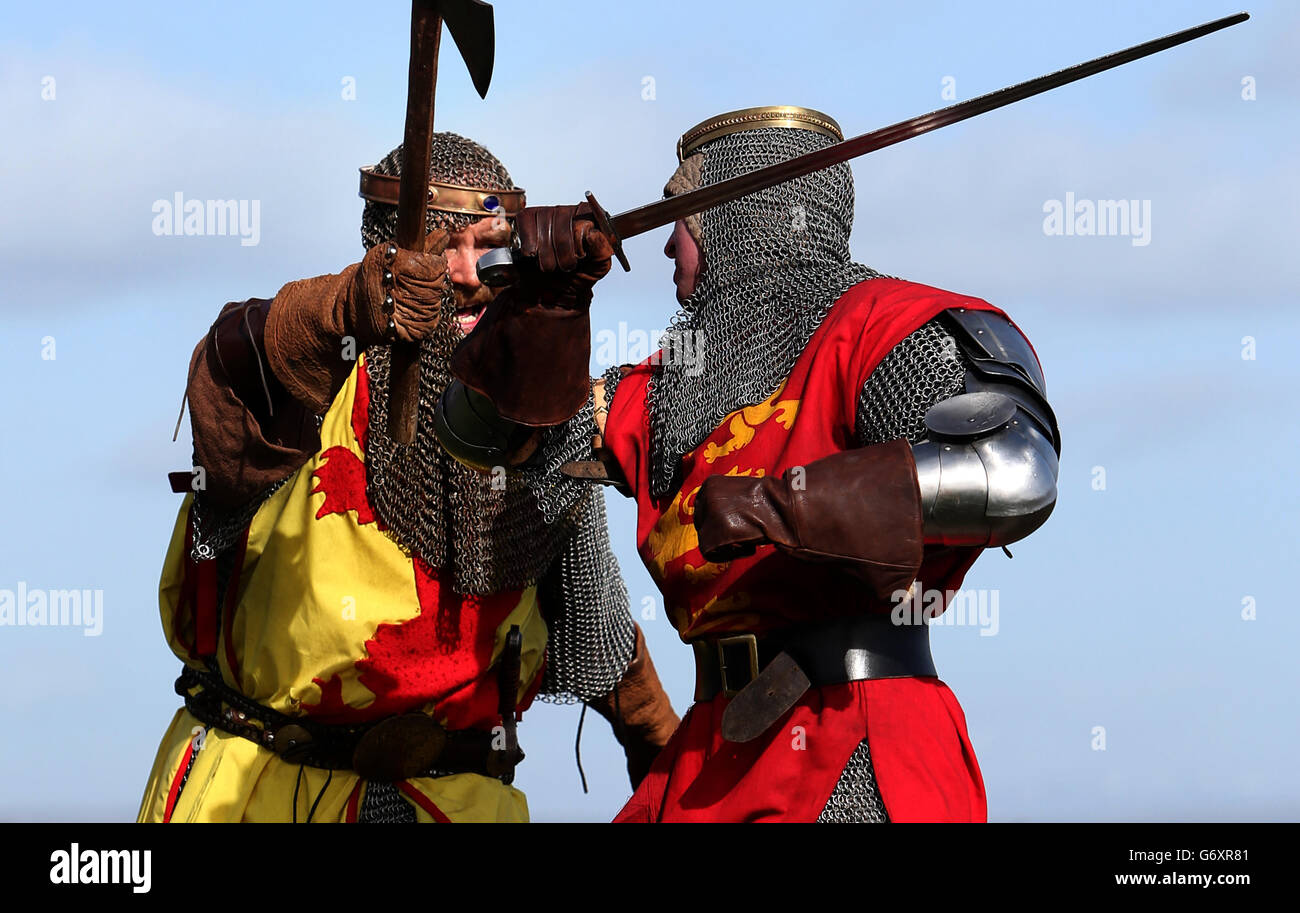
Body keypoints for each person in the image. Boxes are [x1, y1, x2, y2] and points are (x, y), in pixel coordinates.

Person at [438, 106, 1061, 822]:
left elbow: (1014, 471)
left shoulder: (888, 328)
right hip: (712, 751)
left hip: (855, 735)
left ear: (738, 215)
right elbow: (481, 438)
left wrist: (782, 504)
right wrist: (541, 311)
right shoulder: (667, 385)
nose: (668, 245)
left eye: (678, 211)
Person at [137, 133, 679, 823]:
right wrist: (342, 307)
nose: (463, 271)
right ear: (380, 247)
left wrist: (671, 757)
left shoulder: (536, 424)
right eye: (436, 242)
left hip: (450, 802)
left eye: (488, 243)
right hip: (254, 794)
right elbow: (231, 366)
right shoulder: (298, 391)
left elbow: (596, 628)